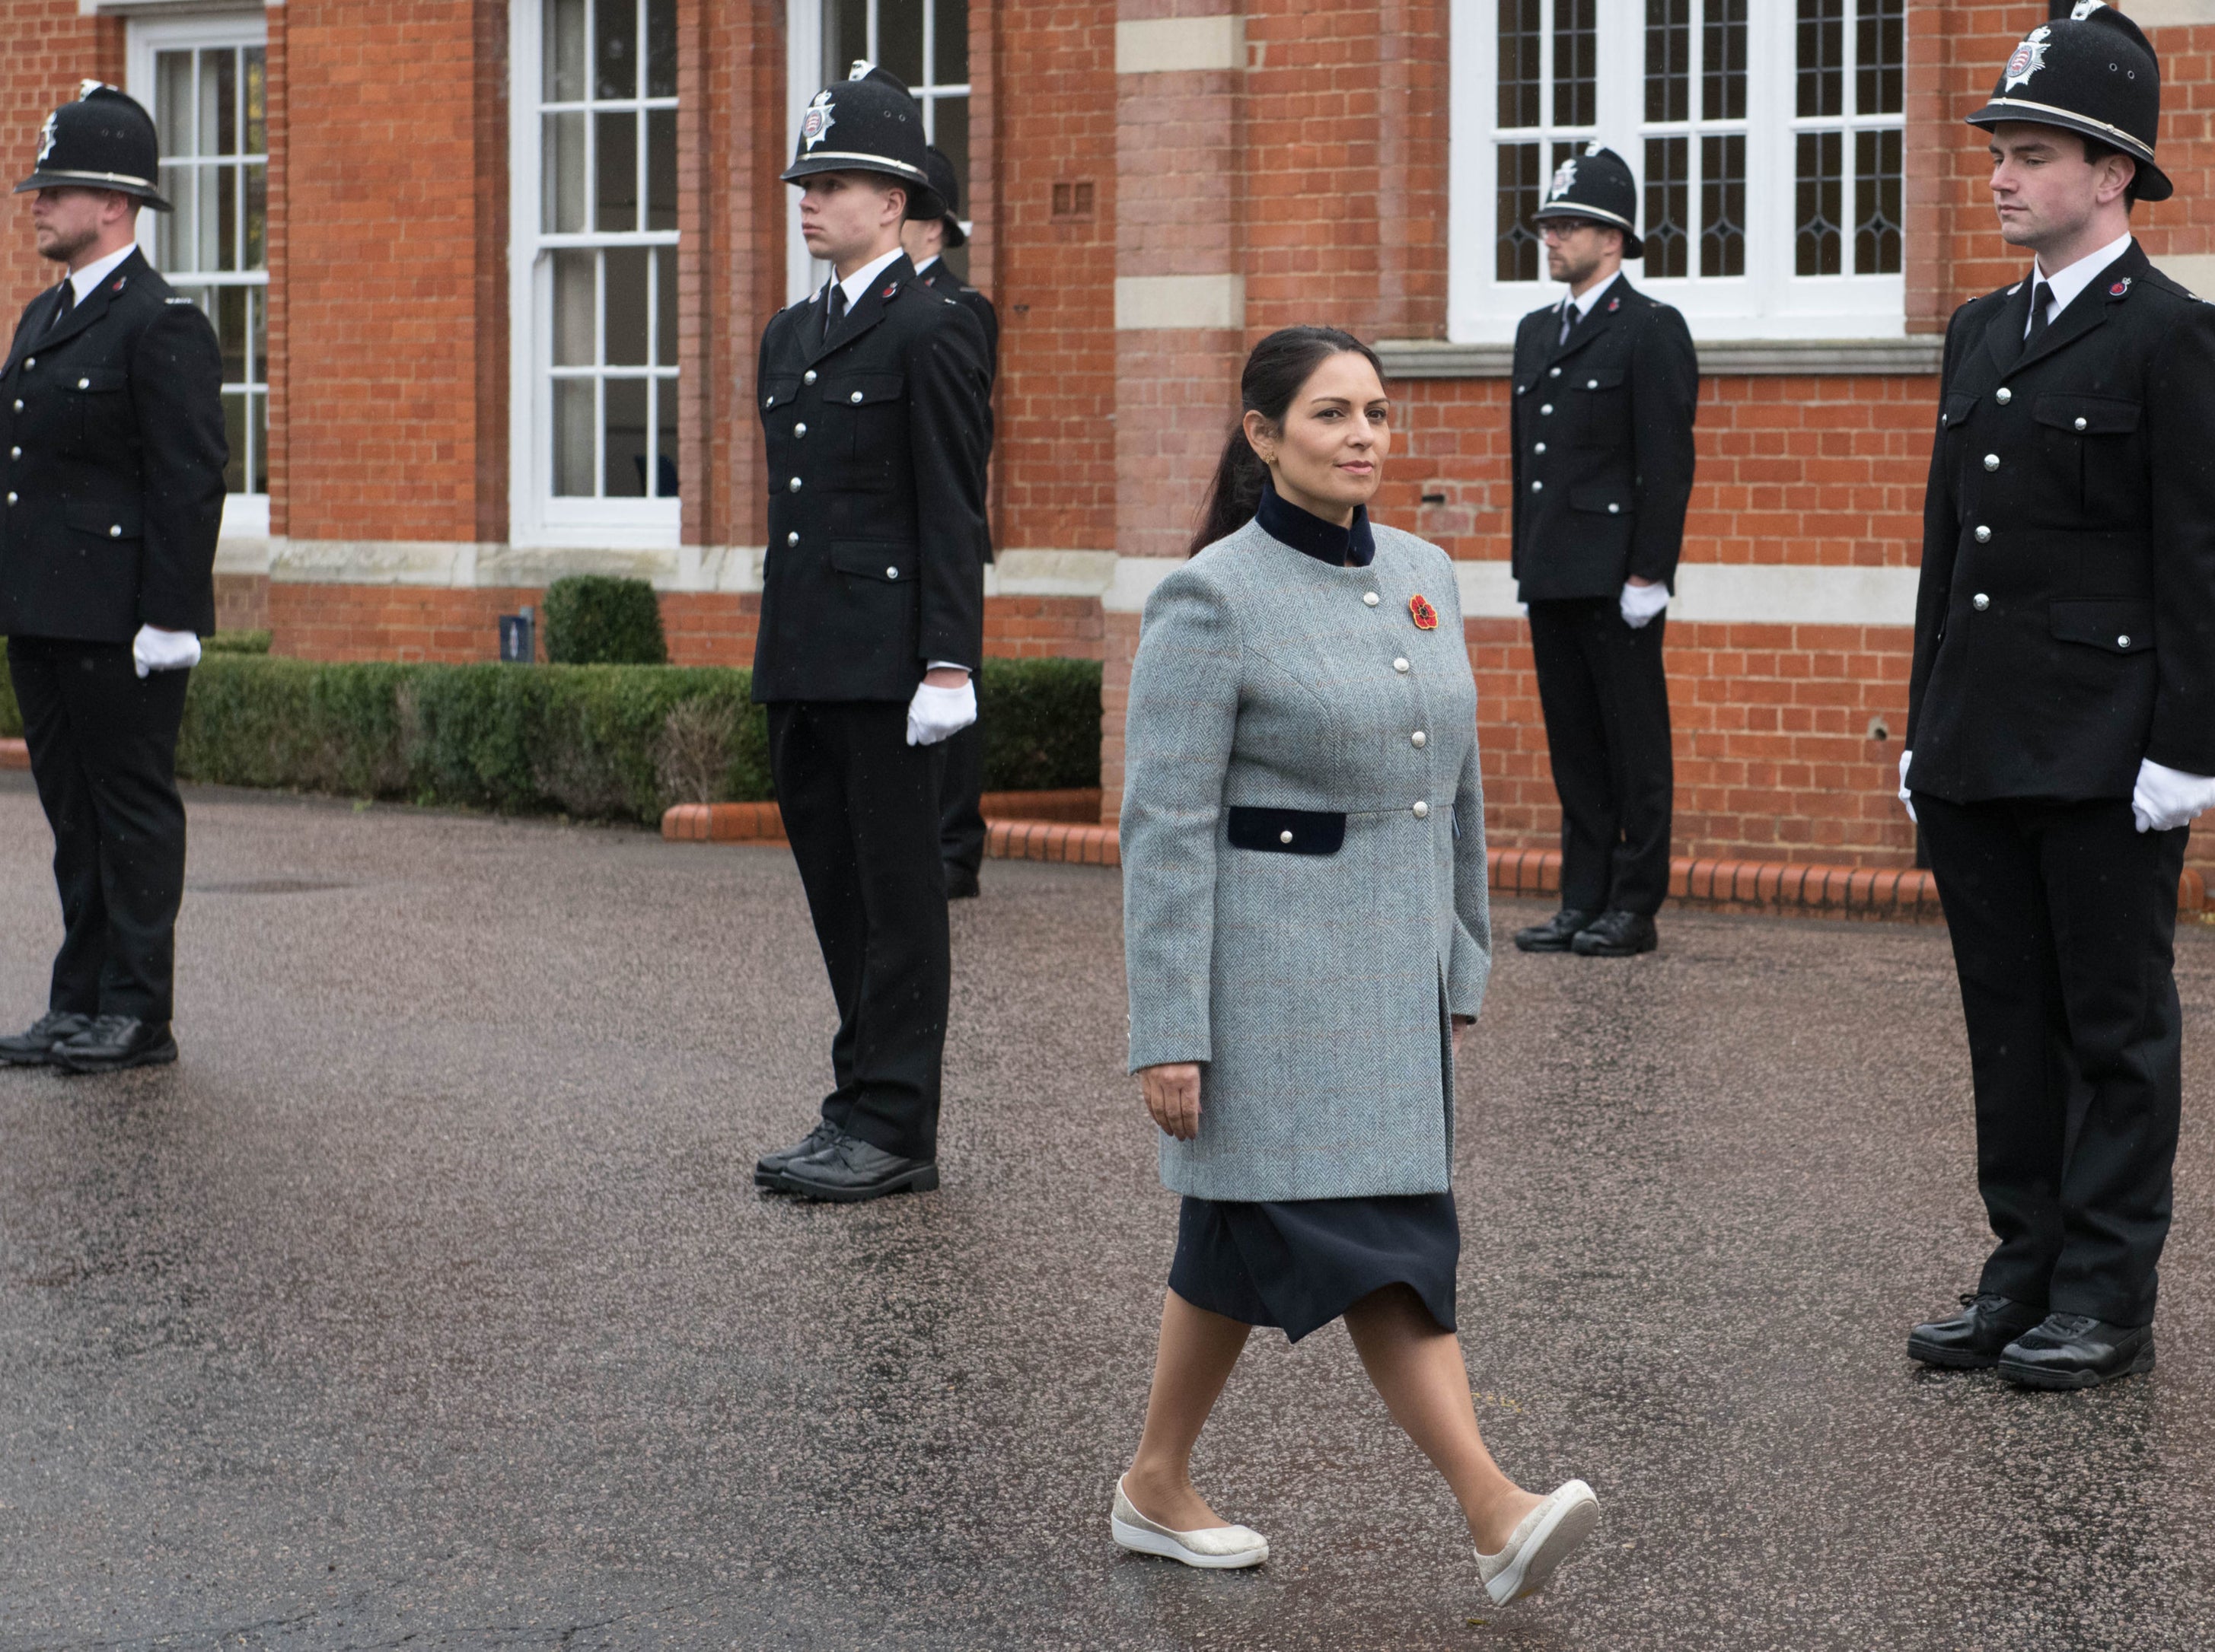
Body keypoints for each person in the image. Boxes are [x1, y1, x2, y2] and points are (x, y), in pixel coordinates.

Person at [1115, 326, 1598, 1606]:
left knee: (1238, 1236)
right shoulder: (1211, 597)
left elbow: (1458, 790)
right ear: (1263, 435)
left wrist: (1461, 958)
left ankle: (1155, 1482)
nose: (1364, 437)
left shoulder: (1430, 571)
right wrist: (1168, 1026)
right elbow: (1161, 822)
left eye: (1377, 414)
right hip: (1268, 989)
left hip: (1388, 984)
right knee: (1380, 1241)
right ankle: (1494, 1510)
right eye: (1331, 415)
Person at [1902, 2, 2215, 1390]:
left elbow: (2197, 558)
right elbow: (1943, 554)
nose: (2003, 175)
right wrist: (1924, 723)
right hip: (1980, 738)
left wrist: (2187, 750)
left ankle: (2104, 1292)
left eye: (2035, 152)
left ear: (2115, 173)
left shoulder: (2175, 339)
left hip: (2104, 751)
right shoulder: (1977, 331)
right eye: (1999, 151)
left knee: (2115, 1029)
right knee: (2009, 1025)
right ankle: (2021, 1268)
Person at [748, 64, 993, 1204]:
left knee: (898, 898)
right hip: (804, 654)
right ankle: (857, 1098)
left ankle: (896, 1123)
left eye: (835, 182)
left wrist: (949, 660)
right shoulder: (789, 333)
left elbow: (950, 503)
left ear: (892, 204)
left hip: (892, 664)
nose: (809, 198)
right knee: (836, 891)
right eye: (806, 179)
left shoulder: (934, 327)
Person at [0, 84, 225, 1076]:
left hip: (122, 622)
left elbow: (189, 478)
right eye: (41, 185)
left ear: (117, 204)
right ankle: (78, 996)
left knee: (131, 814)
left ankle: (138, 1008)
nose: (39, 201)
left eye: (60, 186)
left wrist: (171, 618)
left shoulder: (161, 322)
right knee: (71, 816)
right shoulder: (41, 316)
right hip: (45, 614)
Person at [1506, 145, 1697, 960]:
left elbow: (1667, 460)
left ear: (1612, 239)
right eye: (1547, 223)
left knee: (1633, 745)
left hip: (1619, 576)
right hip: (1553, 568)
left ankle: (1634, 903)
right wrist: (1527, 559)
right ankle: (1581, 896)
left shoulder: (1650, 328)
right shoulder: (1534, 329)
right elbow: (1530, 459)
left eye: (1568, 224)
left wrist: (1650, 571)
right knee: (1576, 745)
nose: (1550, 237)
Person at [901, 143, 999, 901]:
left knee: (949, 673)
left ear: (933, 229)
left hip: (940, 528)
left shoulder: (958, 310)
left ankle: (953, 846)